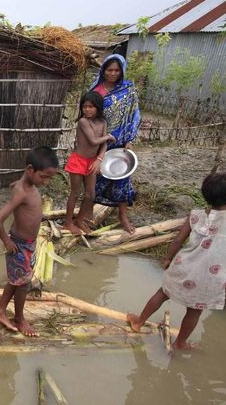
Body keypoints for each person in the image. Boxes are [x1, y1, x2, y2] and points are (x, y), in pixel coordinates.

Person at [127, 172, 226, 350]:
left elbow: (178, 240)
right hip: (210, 277)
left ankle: (139, 322)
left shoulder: (196, 215)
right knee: (194, 311)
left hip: (183, 266)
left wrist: (167, 258)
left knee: (162, 293)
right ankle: (180, 342)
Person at [0, 147, 59, 337]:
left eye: (49, 178)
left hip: (27, 244)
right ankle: (19, 318)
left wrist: (18, 184)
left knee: (17, 280)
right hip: (18, 245)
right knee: (23, 285)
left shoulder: (26, 184)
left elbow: (21, 184)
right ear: (30, 169)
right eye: (44, 177)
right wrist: (6, 241)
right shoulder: (22, 191)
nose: (46, 182)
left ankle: (0, 311)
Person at [91, 54, 142, 234]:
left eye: (116, 70)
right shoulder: (96, 90)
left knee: (122, 179)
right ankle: (88, 214)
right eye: (109, 70)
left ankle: (123, 217)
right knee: (93, 180)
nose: (113, 73)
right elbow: (88, 115)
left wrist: (129, 140)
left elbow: (134, 115)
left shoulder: (128, 90)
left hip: (119, 144)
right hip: (99, 141)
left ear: (122, 71)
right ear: (103, 70)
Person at [63, 91, 115, 235]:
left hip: (92, 161)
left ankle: (79, 220)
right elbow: (93, 140)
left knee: (90, 195)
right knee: (75, 193)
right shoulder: (83, 121)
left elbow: (103, 145)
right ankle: (68, 223)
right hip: (78, 160)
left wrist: (99, 159)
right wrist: (108, 136)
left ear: (98, 107)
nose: (87, 109)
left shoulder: (103, 122)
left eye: (91, 107)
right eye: (84, 107)